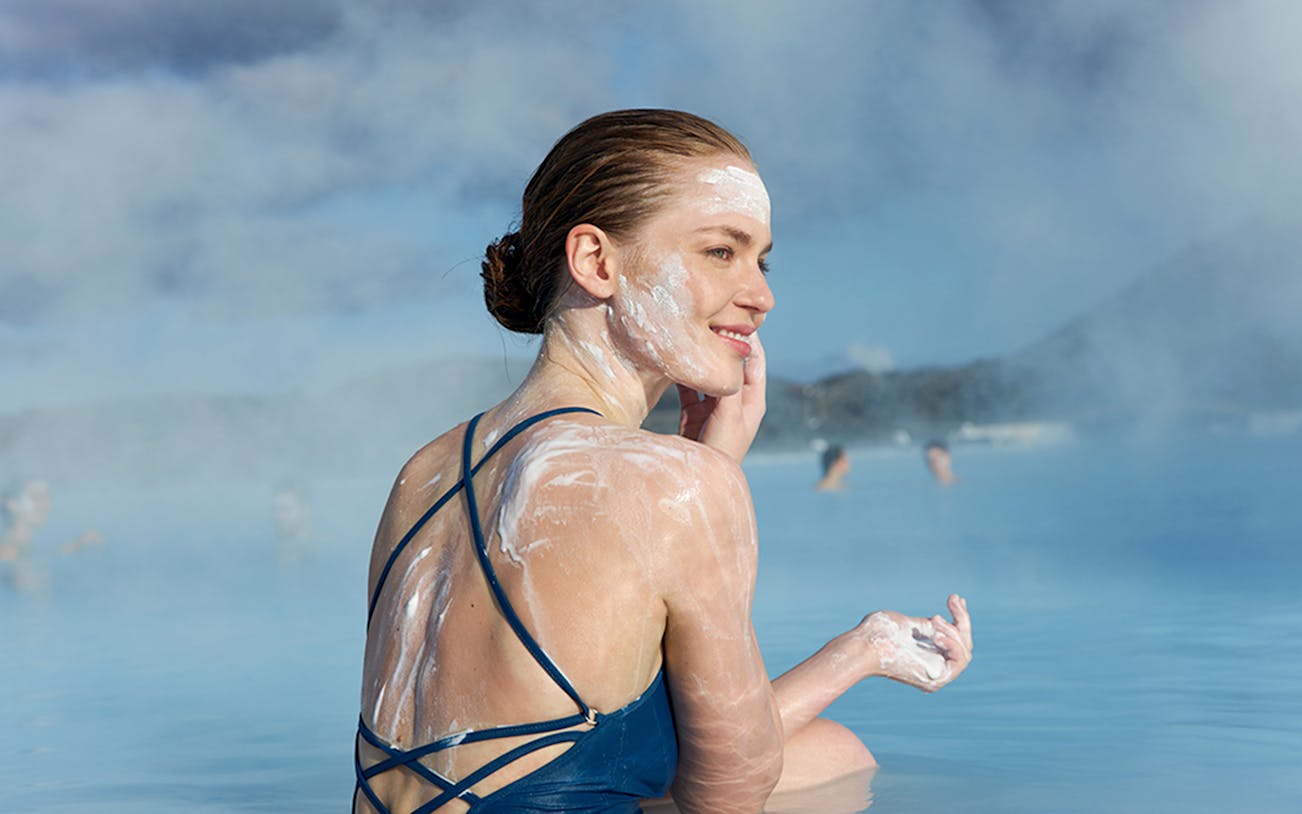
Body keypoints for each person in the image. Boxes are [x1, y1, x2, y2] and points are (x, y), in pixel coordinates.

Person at [354, 109, 973, 814]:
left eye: (762, 260)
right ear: (597, 262)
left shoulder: (425, 471)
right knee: (842, 760)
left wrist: (863, 649)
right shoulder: (677, 486)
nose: (762, 296)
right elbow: (724, 795)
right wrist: (715, 475)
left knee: (826, 752)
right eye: (721, 252)